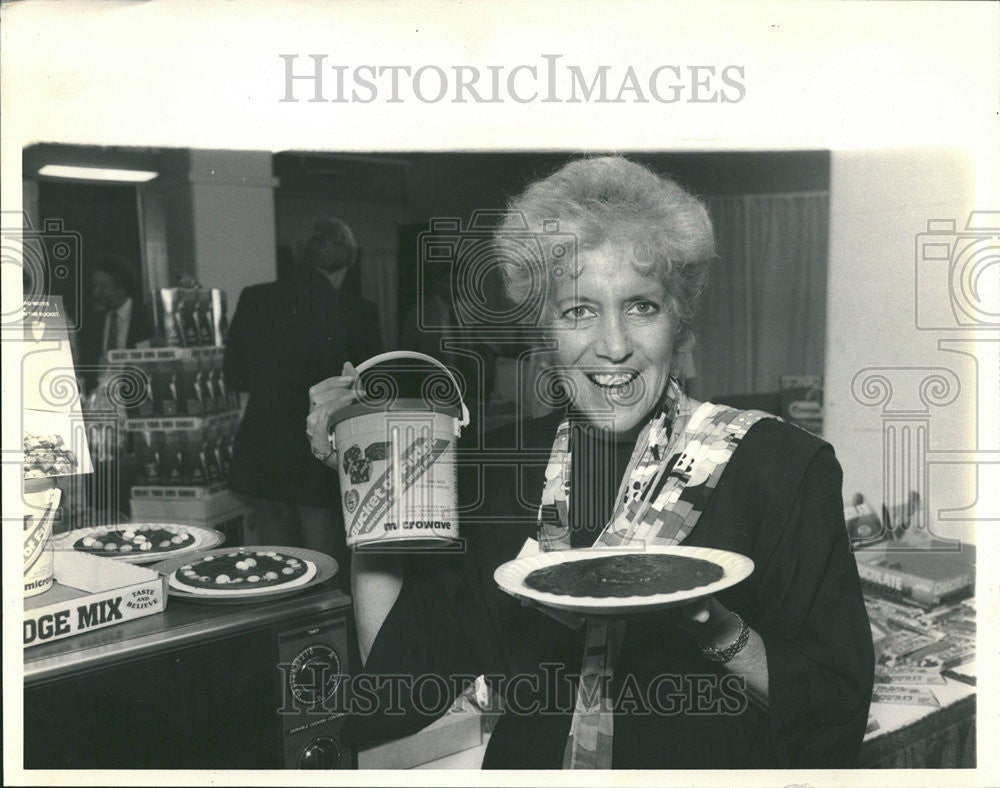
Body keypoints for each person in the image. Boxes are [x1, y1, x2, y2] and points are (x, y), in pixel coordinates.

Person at [306, 157, 874, 769]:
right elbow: (403, 685)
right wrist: (364, 478)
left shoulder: (782, 467)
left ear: (678, 319)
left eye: (641, 306)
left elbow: (835, 707)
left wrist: (713, 625)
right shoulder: (498, 470)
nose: (613, 345)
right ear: (544, 332)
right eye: (578, 310)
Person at [226, 217, 383, 574]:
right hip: (318, 462)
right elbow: (372, 393)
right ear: (346, 263)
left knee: (274, 571)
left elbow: (234, 375)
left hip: (262, 455)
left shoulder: (254, 299)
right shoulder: (357, 311)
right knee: (324, 574)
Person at [77, 254, 153, 391]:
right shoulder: (93, 321)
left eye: (103, 287)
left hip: (139, 395)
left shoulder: (147, 317)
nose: (96, 292)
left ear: (122, 288)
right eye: (94, 286)